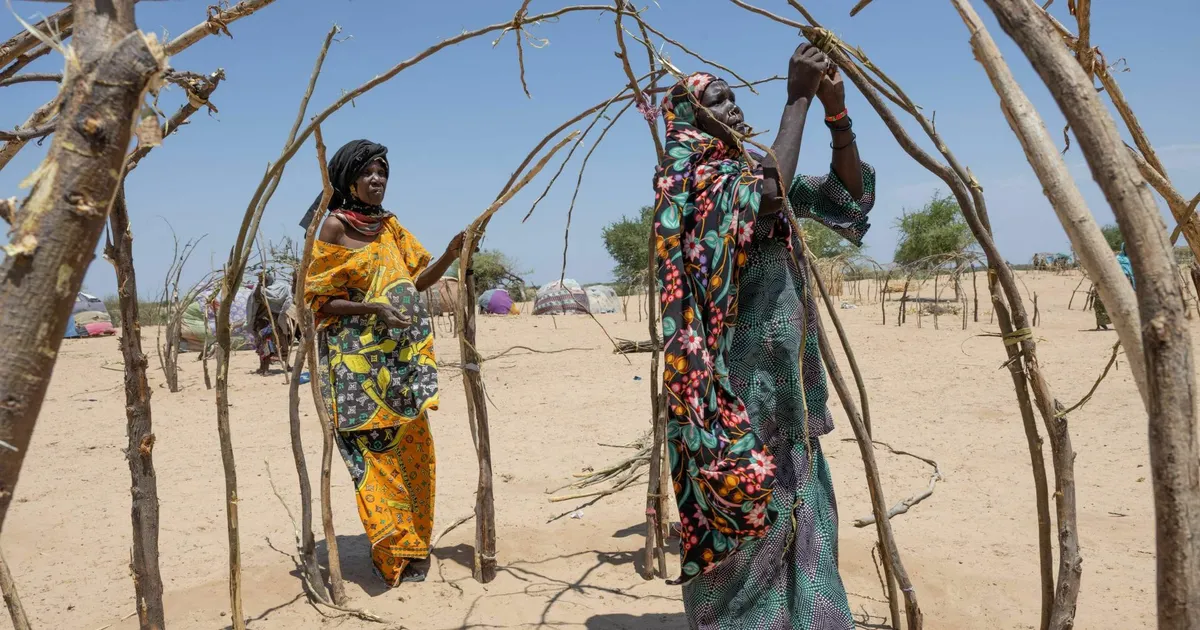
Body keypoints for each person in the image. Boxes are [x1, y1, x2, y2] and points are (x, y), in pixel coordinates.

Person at [653, 41, 875, 629]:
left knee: (806, 520)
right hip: (735, 400)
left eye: (732, 99)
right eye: (716, 102)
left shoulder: (751, 168)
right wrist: (797, 97)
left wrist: (835, 114)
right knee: (748, 530)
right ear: (688, 117)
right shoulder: (692, 182)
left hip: (789, 392)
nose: (731, 109)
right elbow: (765, 196)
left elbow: (846, 203)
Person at [301, 139, 464, 587]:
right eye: (369, 173)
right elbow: (319, 301)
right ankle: (390, 554)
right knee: (373, 461)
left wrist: (450, 253)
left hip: (401, 365)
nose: (377, 181)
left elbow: (416, 279)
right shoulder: (332, 227)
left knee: (414, 453)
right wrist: (373, 309)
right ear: (348, 179)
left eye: (383, 174)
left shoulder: (391, 227)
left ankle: (416, 548)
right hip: (356, 373)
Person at [1092, 245, 1135, 330]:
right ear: (1123, 248)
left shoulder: (1131, 259)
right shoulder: (1118, 258)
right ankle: (1101, 322)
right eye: (1126, 248)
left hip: (1129, 281)